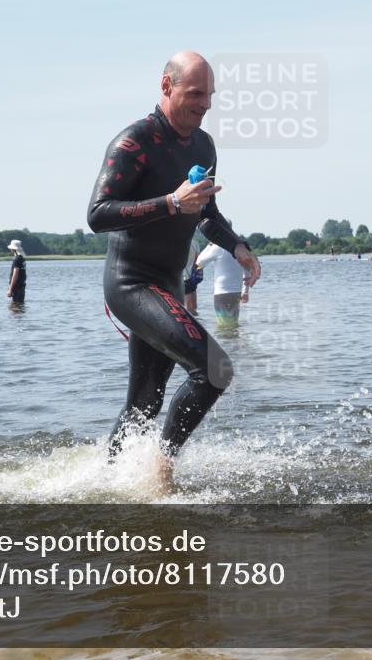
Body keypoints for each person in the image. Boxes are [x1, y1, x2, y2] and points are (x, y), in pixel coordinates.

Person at [87, 50, 261, 484]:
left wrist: (237, 245)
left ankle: (105, 480)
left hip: (165, 282)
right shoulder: (133, 144)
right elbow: (97, 214)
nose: (205, 104)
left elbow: (206, 213)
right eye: (195, 93)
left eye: (210, 95)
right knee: (214, 370)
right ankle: (160, 472)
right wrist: (169, 202)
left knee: (144, 402)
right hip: (131, 283)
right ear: (167, 86)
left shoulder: (203, 144)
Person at [196, 228, 251, 330]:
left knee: (224, 327)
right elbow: (247, 270)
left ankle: (227, 345)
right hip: (236, 292)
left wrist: (209, 245)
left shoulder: (218, 247)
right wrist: (245, 291)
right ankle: (235, 345)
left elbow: (199, 262)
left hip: (222, 293)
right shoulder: (241, 247)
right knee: (233, 325)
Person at [182, 239, 202, 314]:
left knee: (187, 308)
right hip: (193, 277)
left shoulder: (177, 242)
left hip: (184, 277)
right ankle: (198, 322)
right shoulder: (195, 243)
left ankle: (187, 325)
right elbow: (199, 261)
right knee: (194, 307)